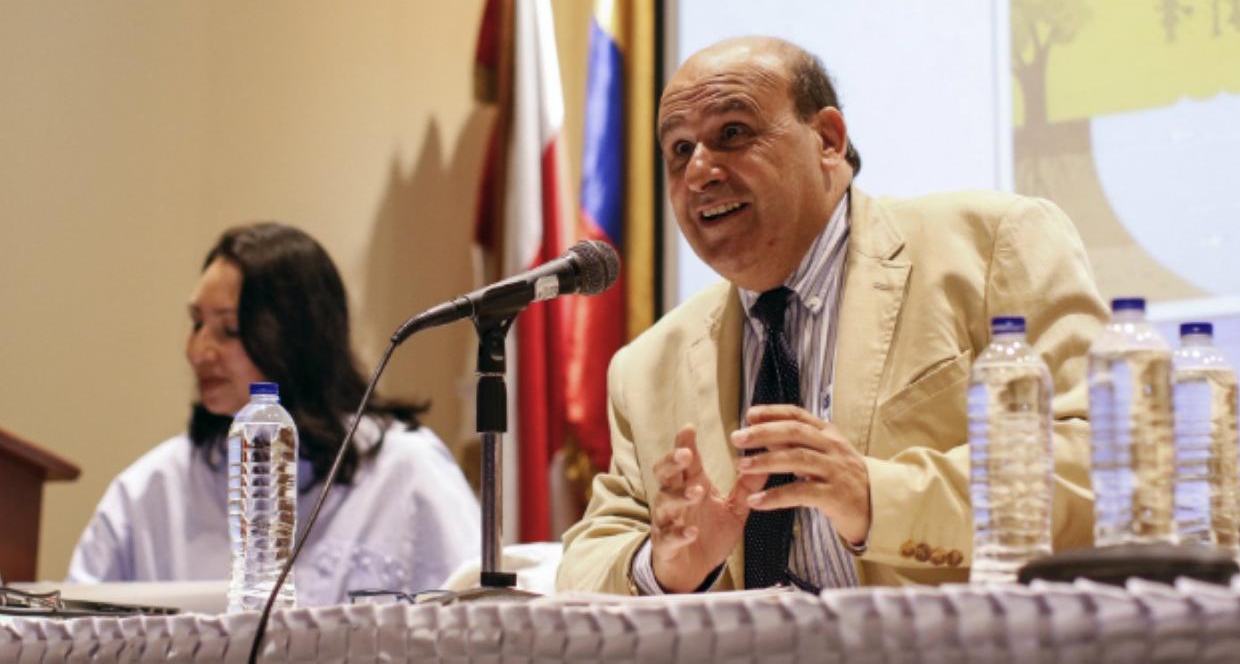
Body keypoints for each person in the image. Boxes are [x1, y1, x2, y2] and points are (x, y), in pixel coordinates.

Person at [556, 36, 1107, 593]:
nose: (699, 172)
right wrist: (665, 565)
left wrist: (874, 495)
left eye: (732, 134)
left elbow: (1101, 465)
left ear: (827, 139)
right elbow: (584, 565)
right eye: (678, 150)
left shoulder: (992, 248)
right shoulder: (646, 367)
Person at [68, 222, 480, 605]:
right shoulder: (153, 487)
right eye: (196, 324)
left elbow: (474, 621)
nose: (198, 352)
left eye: (228, 330)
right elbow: (71, 630)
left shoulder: (405, 471)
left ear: (297, 338)